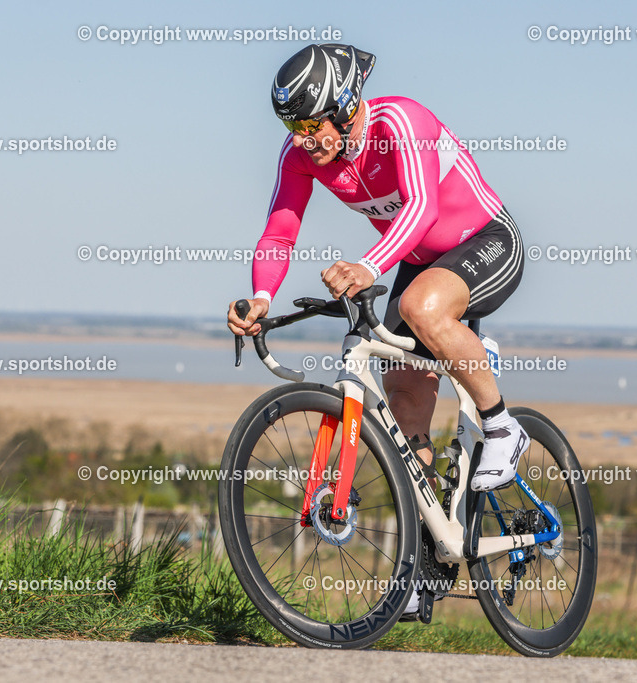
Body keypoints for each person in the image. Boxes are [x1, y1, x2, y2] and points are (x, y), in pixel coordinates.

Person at [226, 43, 528, 616]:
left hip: (487, 240)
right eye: (293, 126)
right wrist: (261, 296)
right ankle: (429, 553)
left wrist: (368, 266)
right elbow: (280, 228)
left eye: (313, 124)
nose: (304, 139)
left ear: (346, 105)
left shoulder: (399, 122)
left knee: (419, 306)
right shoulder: (303, 155)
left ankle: (502, 425)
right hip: (418, 259)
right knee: (405, 391)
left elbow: (420, 210)